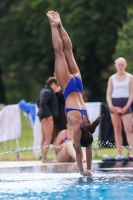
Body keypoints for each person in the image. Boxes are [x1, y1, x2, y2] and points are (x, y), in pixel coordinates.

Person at [46, 11, 103, 176]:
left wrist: (90, 169)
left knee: (69, 51)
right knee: (59, 53)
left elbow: (88, 150)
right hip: (69, 88)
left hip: (78, 83)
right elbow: (80, 151)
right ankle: (53, 25)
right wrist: (82, 170)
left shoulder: (89, 125)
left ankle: (60, 23)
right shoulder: (79, 128)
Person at [106, 57, 133, 158]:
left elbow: (132, 93)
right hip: (114, 103)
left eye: (122, 64)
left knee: (129, 129)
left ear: (125, 65)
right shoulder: (112, 78)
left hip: (126, 103)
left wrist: (127, 106)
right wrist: (111, 106)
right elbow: (108, 94)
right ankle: (119, 153)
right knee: (117, 129)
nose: (121, 66)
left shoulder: (130, 77)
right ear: (115, 66)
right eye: (119, 64)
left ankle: (132, 152)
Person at [37, 76, 59, 162]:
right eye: (56, 84)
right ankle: (44, 158)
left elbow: (39, 103)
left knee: (44, 137)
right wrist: (48, 115)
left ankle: (43, 157)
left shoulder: (43, 91)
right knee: (48, 138)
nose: (57, 86)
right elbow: (42, 103)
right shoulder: (48, 91)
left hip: (42, 116)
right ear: (52, 84)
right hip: (47, 117)